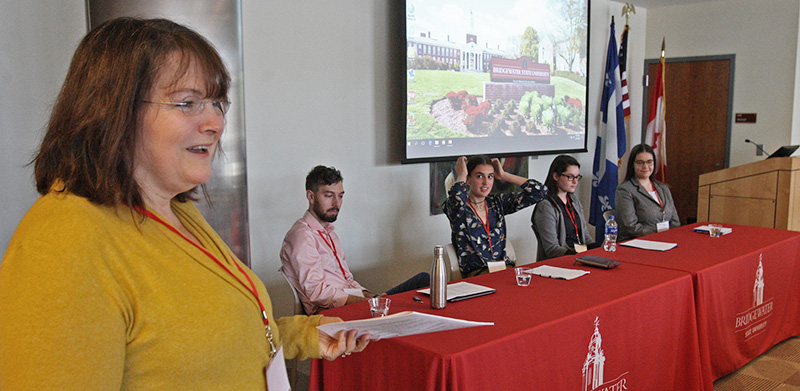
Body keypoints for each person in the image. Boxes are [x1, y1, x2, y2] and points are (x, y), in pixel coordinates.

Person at [0, 18, 368, 390]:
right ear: (113, 111)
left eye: (217, 103)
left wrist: (307, 334)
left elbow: (210, 342)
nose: (215, 123)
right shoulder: (62, 245)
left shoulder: (176, 210)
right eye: (187, 103)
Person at [281, 165, 429, 315]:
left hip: (353, 303)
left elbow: (348, 281)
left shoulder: (329, 233)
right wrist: (367, 302)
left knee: (423, 280)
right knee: (419, 293)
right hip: (332, 312)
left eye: (340, 196)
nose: (336, 203)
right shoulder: (301, 236)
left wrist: (372, 296)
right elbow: (317, 293)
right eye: (329, 196)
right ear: (311, 196)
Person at [444, 155, 547, 277]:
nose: (486, 182)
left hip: (504, 269)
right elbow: (456, 200)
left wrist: (504, 175)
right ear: (468, 179)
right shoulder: (457, 209)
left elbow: (540, 192)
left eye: (490, 176)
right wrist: (461, 174)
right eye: (479, 176)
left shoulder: (497, 203)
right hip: (478, 274)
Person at [531, 155, 595, 260]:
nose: (575, 181)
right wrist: (577, 256)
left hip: (579, 256)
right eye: (570, 177)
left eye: (577, 177)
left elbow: (585, 236)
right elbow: (552, 249)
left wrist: (597, 249)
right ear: (556, 176)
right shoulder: (545, 206)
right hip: (559, 261)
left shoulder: (574, 200)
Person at [615, 143, 680, 240]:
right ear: (632, 165)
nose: (645, 166)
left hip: (666, 239)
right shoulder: (625, 190)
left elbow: (675, 222)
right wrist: (659, 232)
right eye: (640, 162)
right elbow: (631, 227)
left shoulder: (664, 188)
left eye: (649, 162)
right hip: (637, 242)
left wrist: (667, 235)